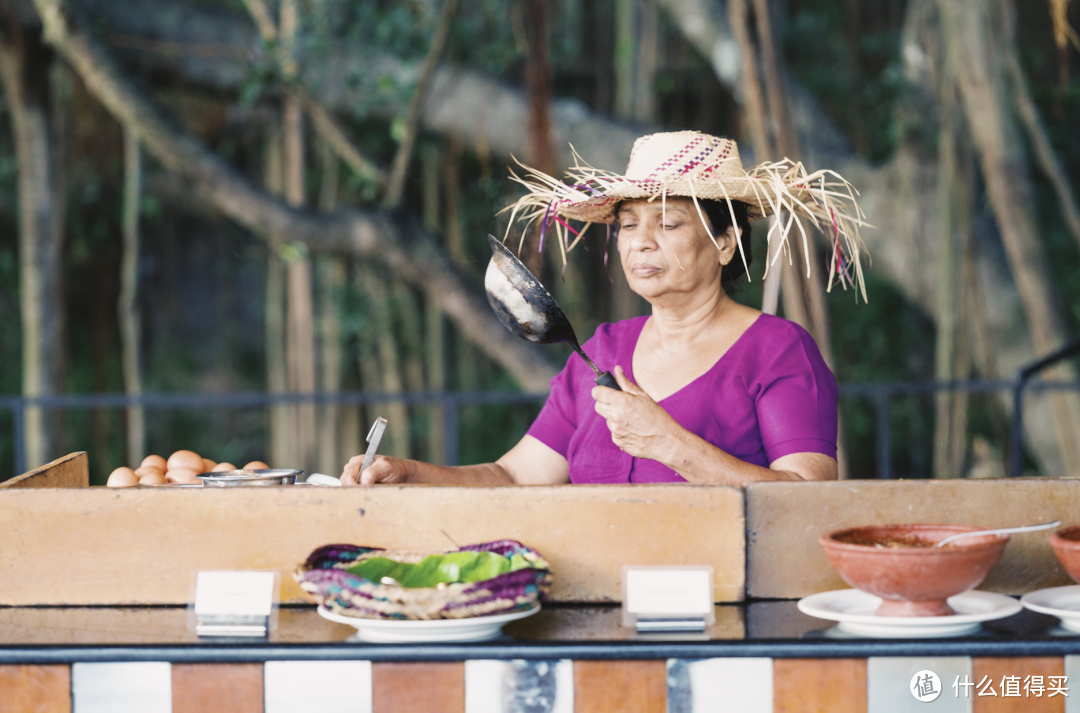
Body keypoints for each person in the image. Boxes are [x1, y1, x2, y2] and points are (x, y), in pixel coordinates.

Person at [341, 131, 867, 486]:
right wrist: (411, 473)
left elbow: (807, 497)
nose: (640, 242)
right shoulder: (603, 351)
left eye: (669, 223)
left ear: (725, 242)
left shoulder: (777, 351)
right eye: (629, 224)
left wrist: (671, 444)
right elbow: (513, 477)